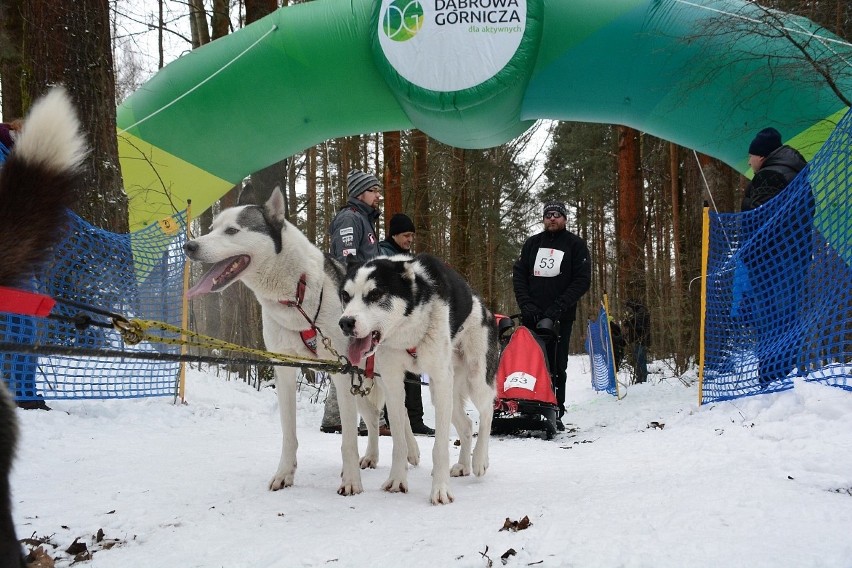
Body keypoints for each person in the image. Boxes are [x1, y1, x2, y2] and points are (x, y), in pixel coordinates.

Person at [738, 127, 812, 387]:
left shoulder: (770, 176)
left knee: (771, 317)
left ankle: (772, 378)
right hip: (792, 258)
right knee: (787, 315)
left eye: (751, 156)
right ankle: (785, 374)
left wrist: (749, 252)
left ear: (762, 155)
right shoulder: (796, 173)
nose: (749, 161)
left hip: (772, 263)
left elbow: (761, 221)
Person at [513, 201, 591, 429]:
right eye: (548, 215)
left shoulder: (575, 245)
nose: (552, 219)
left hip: (560, 318)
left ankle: (557, 408)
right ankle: (529, 407)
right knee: (530, 363)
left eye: (557, 215)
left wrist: (557, 308)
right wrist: (526, 305)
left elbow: (582, 280)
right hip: (532, 316)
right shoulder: (532, 244)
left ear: (565, 218)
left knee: (557, 365)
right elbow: (519, 275)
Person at [321, 169, 386, 434]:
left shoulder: (365, 219)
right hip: (353, 300)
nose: (378, 195)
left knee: (362, 352)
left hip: (366, 298)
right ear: (360, 193)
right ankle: (340, 417)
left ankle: (366, 417)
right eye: (374, 190)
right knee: (350, 353)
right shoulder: (350, 218)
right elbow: (345, 260)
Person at [378, 213, 434, 436]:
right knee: (391, 373)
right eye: (406, 235)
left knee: (413, 369)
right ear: (394, 234)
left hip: (410, 322)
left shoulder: (409, 257)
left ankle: (415, 419)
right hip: (389, 324)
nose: (410, 239)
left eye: (412, 235)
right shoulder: (383, 255)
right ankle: (394, 420)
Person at [622, 300, 650, 383]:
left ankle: (642, 379)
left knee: (640, 360)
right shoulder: (638, 313)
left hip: (641, 341)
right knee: (639, 361)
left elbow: (638, 326)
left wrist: (629, 322)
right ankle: (640, 378)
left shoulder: (641, 313)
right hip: (638, 340)